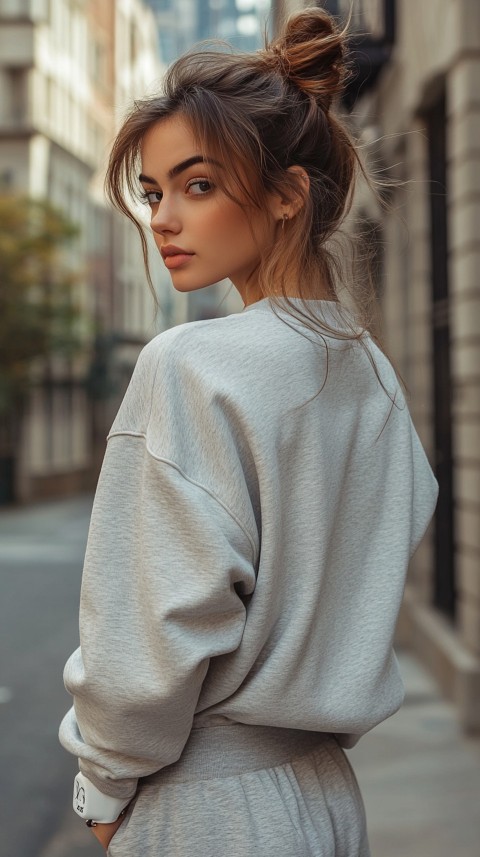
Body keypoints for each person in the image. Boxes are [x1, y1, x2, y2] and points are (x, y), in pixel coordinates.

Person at [59, 7, 439, 856]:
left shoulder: (190, 363)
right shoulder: (370, 373)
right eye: (155, 192)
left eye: (197, 186)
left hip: (206, 806)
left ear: (286, 195)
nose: (162, 218)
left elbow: (143, 637)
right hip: (326, 798)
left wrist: (103, 787)